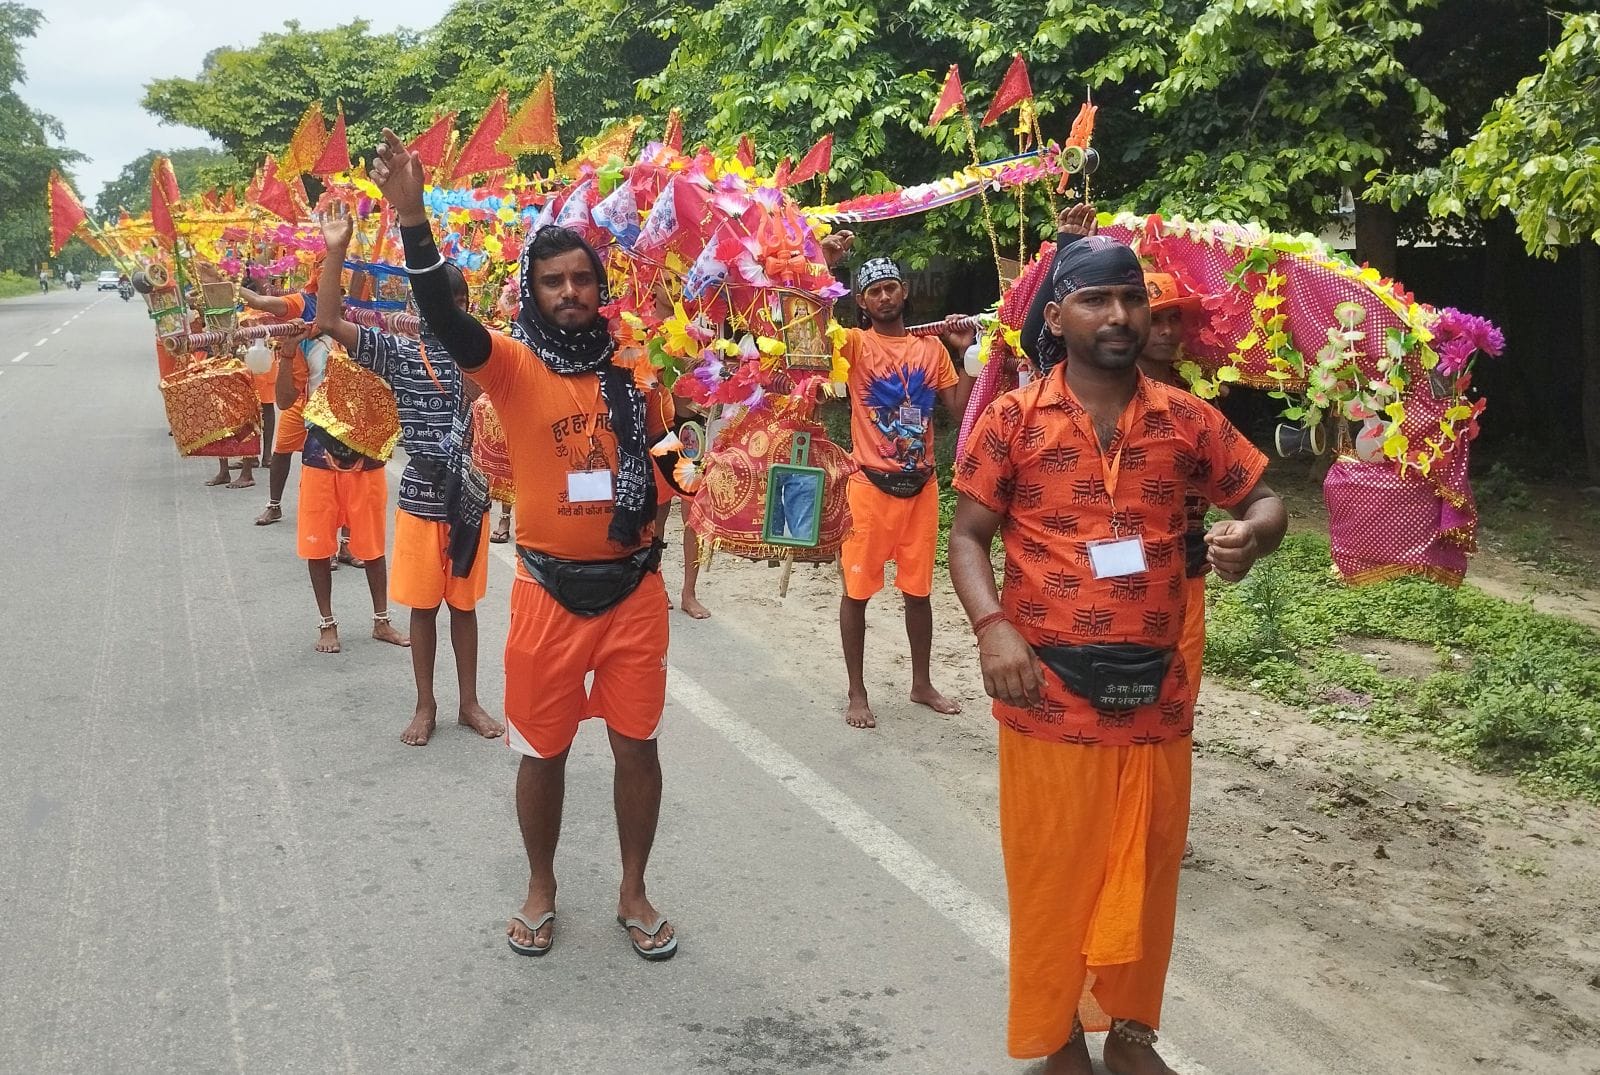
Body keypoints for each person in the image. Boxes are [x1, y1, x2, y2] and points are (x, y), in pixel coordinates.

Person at [947, 236, 1287, 1075]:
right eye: (1098, 299)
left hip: (1157, 698)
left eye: (1132, 299)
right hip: (1047, 694)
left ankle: (1132, 1035)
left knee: (1148, 870)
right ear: (1056, 317)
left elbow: (1266, 495)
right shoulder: (1012, 418)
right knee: (1054, 873)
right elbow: (967, 536)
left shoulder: (1188, 418)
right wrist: (993, 625)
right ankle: (1059, 1032)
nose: (1121, 315)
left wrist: (1254, 533)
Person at [374, 128, 677, 961]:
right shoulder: (507, 364)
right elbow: (444, 315)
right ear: (533, 291)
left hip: (634, 593)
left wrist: (681, 489)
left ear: (600, 285)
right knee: (541, 749)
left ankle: (633, 887)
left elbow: (668, 460)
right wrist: (413, 221)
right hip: (547, 592)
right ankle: (541, 884)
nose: (570, 290)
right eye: (554, 280)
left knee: (637, 746)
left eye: (582, 277)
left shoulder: (641, 367)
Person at [313, 201, 503, 747]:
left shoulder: (487, 355)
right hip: (421, 497)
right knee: (424, 608)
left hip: (471, 499)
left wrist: (482, 389)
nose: (453, 312)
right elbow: (327, 322)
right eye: (442, 303)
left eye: (460, 303)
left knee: (463, 608)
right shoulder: (398, 352)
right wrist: (335, 251)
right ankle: (426, 705)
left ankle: (469, 702)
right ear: (424, 306)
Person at [819, 235, 966, 729]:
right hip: (868, 487)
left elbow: (959, 412)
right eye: (873, 291)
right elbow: (811, 327)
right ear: (861, 301)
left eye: (890, 288)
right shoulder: (856, 345)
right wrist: (824, 264)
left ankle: (921, 683)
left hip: (921, 489)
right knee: (856, 594)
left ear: (903, 292)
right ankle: (857, 691)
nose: (883, 297)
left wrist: (965, 354)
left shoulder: (930, 348)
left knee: (919, 593)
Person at [278, 317, 409, 654]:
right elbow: (283, 401)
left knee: (373, 545)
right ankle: (327, 623)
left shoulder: (377, 342)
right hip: (320, 455)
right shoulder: (310, 342)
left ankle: (381, 621)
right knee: (318, 545)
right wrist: (287, 354)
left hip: (368, 457)